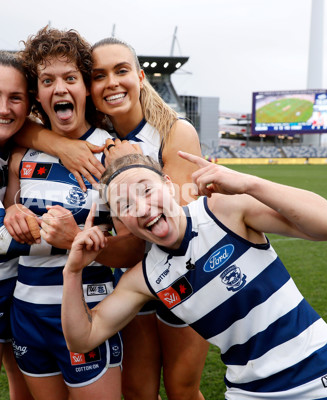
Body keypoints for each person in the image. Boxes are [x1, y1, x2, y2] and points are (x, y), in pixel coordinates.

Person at [61, 152, 327, 400]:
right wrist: (72, 272)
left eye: (146, 190)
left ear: (169, 185)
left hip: (322, 378)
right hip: (248, 391)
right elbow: (82, 338)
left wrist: (248, 184)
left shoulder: (224, 211)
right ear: (120, 220)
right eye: (125, 204)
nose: (141, 208)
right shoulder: (146, 277)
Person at [0, 50, 108, 400]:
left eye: (15, 98)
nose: (3, 108)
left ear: (28, 107)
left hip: (20, 291)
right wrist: (79, 240)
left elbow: (34, 135)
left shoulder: (14, 143)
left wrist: (56, 143)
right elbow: (0, 237)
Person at [2, 27, 144, 400]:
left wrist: (76, 242)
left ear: (84, 89)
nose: (60, 88)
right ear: (37, 94)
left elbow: (132, 252)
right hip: (27, 314)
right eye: (47, 80)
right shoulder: (22, 156)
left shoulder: (113, 153)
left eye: (70, 78)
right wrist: (12, 213)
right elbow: (9, 222)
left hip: (89, 311)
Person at [90, 37, 208, 400]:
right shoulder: (96, 141)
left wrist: (125, 166)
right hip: (134, 283)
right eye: (98, 76)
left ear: (140, 77)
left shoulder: (175, 131)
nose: (111, 82)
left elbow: (170, 228)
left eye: (121, 71)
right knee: (137, 390)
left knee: (181, 389)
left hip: (185, 277)